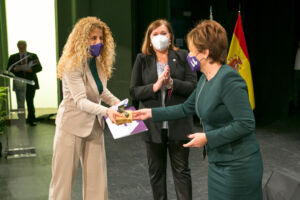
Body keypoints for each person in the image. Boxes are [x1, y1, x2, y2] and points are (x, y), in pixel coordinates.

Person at [133, 20, 263, 200]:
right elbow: (186, 107)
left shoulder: (229, 79)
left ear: (205, 53)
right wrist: (151, 113)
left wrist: (208, 138)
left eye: (193, 51)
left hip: (238, 165)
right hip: (218, 162)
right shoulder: (204, 80)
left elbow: (246, 123)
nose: (189, 55)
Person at [48, 17, 122, 200]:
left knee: (97, 181)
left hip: (94, 127)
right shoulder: (71, 64)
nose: (98, 42)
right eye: (93, 38)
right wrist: (107, 111)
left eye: (100, 38)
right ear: (81, 39)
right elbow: (81, 101)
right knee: (62, 183)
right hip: (71, 127)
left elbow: (100, 90)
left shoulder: (97, 62)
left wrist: (117, 104)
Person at [130, 19, 197, 200]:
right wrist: (156, 85)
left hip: (179, 124)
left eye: (164, 33)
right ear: (149, 39)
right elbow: (134, 90)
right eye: (155, 34)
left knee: (182, 172)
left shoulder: (184, 56)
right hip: (152, 126)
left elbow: (193, 85)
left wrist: (172, 83)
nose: (160, 37)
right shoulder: (142, 59)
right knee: (156, 174)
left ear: (171, 36)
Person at [7, 40, 42, 126]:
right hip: (19, 83)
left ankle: (31, 120)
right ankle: (21, 121)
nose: (22, 48)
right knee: (20, 103)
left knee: (30, 102)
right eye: (20, 47)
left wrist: (30, 70)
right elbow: (8, 69)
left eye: (23, 47)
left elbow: (39, 67)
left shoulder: (32, 56)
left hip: (30, 82)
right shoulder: (13, 57)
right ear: (17, 47)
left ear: (26, 46)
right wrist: (14, 70)